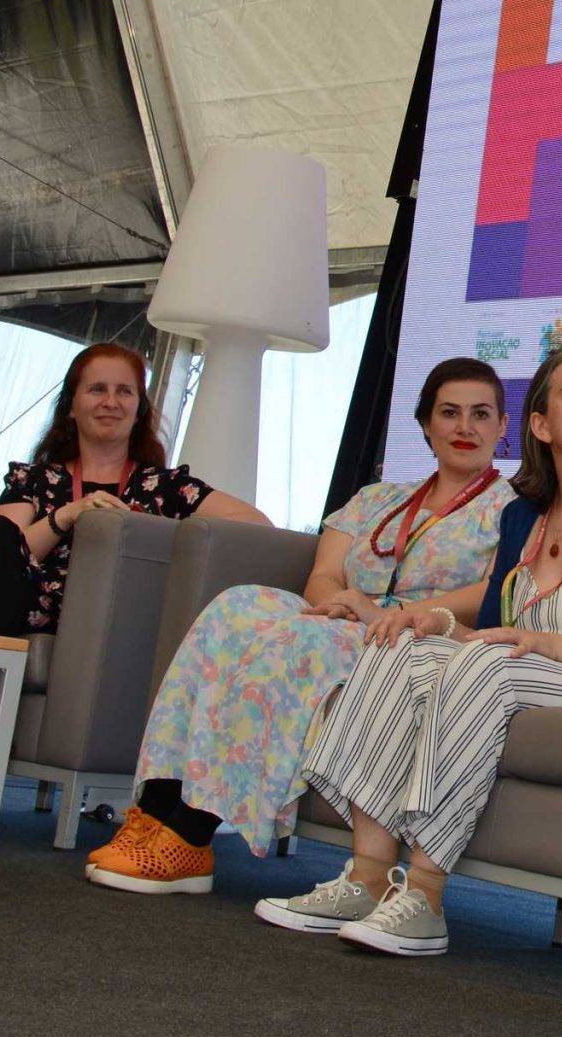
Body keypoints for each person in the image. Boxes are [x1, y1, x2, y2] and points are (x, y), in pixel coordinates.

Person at [287, 337, 562, 958]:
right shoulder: (521, 520)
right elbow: (491, 634)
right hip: (529, 681)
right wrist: (434, 624)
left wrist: (545, 644)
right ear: (541, 425)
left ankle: (425, 896)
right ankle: (367, 877)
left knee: (493, 665)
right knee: (401, 645)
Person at [79, 357, 515, 901]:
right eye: (449, 413)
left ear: (503, 425)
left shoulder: (513, 511)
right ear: (426, 423)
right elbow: (324, 573)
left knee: (303, 639)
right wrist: (339, 604)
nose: (465, 427)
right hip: (344, 615)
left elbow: (498, 589)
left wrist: (387, 615)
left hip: (415, 635)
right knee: (235, 607)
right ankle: (156, 808)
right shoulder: (378, 499)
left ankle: (191, 833)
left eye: (481, 414)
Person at [0, 342, 266, 832]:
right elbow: (4, 548)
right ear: (72, 406)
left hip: (100, 620)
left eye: (124, 391)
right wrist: (66, 516)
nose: (110, 401)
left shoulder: (166, 488)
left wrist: (162, 542)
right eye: (96, 389)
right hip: (20, 601)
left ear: (140, 408)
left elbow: (255, 526)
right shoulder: (36, 480)